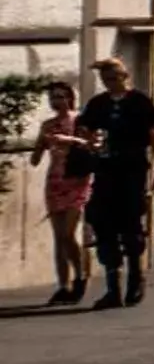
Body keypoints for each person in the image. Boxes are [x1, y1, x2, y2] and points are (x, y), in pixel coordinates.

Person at [79, 58, 154, 309]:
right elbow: (87, 130)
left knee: (130, 225)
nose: (111, 83)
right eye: (106, 79)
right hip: (106, 171)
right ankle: (112, 288)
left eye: (115, 78)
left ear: (125, 76)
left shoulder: (139, 102)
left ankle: (136, 280)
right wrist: (90, 140)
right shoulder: (98, 104)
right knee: (103, 224)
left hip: (132, 170)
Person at [30, 78, 92, 304]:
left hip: (76, 180)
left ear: (70, 98)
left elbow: (92, 145)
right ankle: (63, 285)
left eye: (60, 96)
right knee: (58, 238)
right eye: (52, 97)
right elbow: (35, 160)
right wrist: (41, 143)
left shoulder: (80, 120)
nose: (56, 101)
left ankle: (81, 276)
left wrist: (69, 139)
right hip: (55, 182)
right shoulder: (47, 125)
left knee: (68, 234)